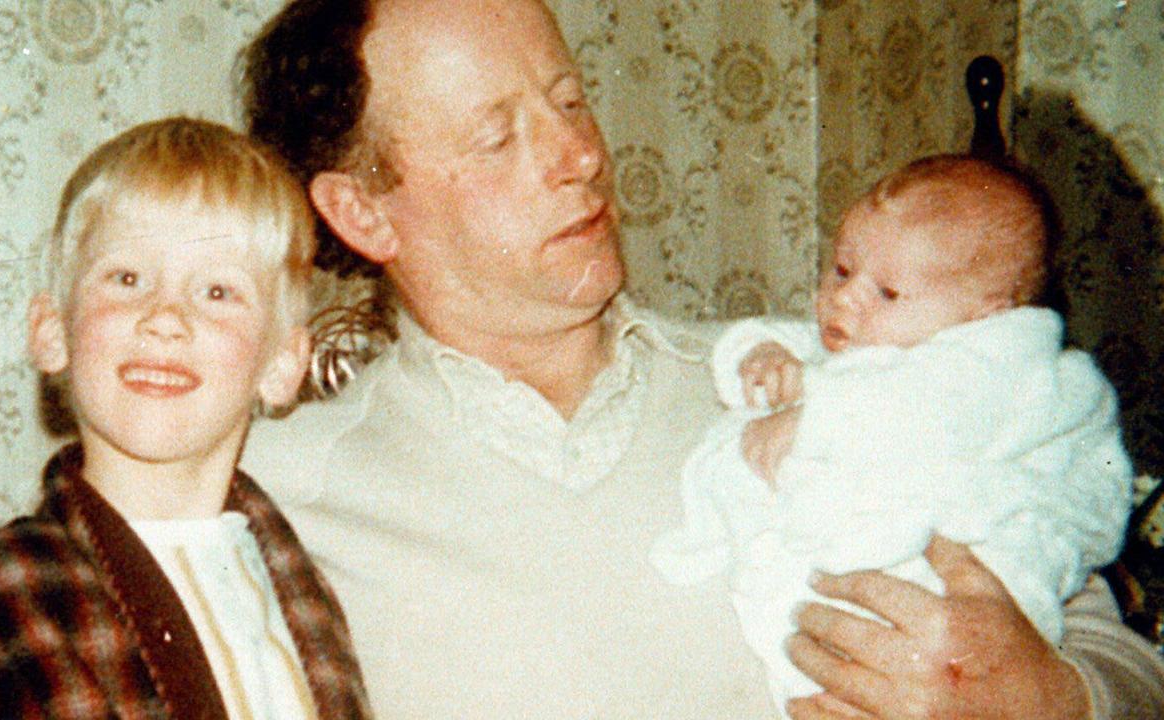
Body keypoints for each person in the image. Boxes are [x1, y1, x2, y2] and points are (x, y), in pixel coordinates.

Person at [238, 0, 1164, 717]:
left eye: (569, 101)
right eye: (497, 136)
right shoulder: (281, 494)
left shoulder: (815, 378)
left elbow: (1114, 648)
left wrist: (1055, 698)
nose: (578, 154)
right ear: (361, 211)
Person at [0, 117, 372, 719]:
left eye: (217, 291)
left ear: (282, 364)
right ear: (52, 332)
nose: (164, 317)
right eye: (127, 278)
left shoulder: (308, 591)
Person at [650, 154, 1133, 714]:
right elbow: (780, 340)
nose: (845, 298)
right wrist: (759, 354)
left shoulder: (1008, 369)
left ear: (985, 316)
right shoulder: (862, 347)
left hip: (962, 589)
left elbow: (937, 416)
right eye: (842, 270)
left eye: (888, 292)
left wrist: (816, 418)